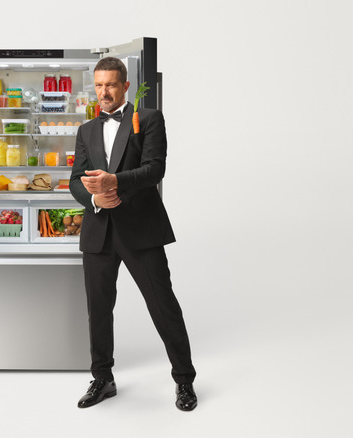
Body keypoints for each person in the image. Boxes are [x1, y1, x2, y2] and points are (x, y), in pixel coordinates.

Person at [69, 57, 197, 411]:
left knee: (163, 305)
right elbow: (74, 181)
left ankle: (184, 381)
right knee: (98, 310)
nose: (104, 92)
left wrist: (116, 183)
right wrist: (95, 197)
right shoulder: (86, 130)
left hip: (140, 229)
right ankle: (102, 378)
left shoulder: (150, 118)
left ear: (125, 86)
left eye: (110, 85)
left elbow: (155, 169)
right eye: (98, 85)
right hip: (98, 232)